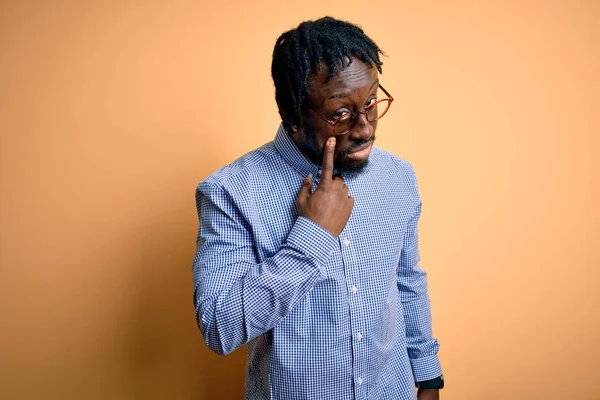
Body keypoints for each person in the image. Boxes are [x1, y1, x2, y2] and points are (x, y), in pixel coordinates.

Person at [192, 16, 443, 400]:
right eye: (341, 113)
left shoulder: (398, 177)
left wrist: (427, 377)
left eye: (372, 102)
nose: (364, 128)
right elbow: (218, 327)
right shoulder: (231, 192)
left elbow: (407, 280)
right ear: (292, 117)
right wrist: (313, 237)